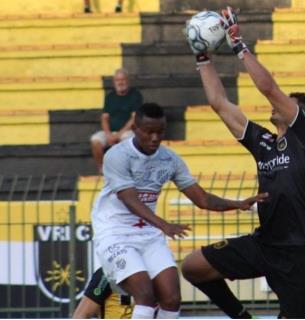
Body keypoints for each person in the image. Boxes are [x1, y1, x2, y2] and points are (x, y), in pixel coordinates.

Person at [181, 7, 305, 319]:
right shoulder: (265, 143)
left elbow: (270, 89)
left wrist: (238, 45)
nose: (277, 104)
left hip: (299, 251)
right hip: (265, 243)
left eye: (288, 103)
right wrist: (202, 58)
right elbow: (220, 104)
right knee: (192, 267)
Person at [91, 102, 267, 319]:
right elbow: (129, 199)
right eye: (149, 132)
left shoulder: (169, 159)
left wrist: (237, 204)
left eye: (160, 132)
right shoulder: (117, 156)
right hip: (115, 234)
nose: (155, 138)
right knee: (145, 295)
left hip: (148, 234)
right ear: (135, 130)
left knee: (172, 299)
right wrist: (164, 224)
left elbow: (201, 198)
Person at [90, 68, 143, 172]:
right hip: (111, 131)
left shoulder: (136, 95)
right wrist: (108, 134)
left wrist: (118, 135)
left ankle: (123, 171)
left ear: (128, 80)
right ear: (114, 82)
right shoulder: (110, 97)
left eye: (123, 79)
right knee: (95, 140)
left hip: (128, 131)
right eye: (118, 80)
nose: (120, 82)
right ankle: (102, 170)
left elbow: (134, 118)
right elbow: (104, 118)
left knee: (127, 140)